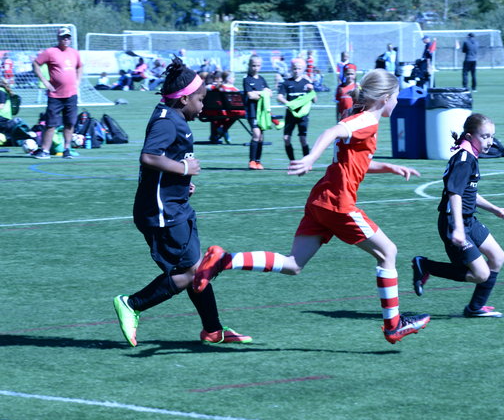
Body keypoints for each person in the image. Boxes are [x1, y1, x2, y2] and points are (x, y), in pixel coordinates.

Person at [193, 68, 431, 345]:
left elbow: (356, 163)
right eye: (397, 97)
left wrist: (389, 167)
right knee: (388, 252)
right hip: (338, 203)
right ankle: (393, 325)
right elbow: (332, 131)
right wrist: (310, 159)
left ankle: (224, 260)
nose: (398, 102)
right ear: (385, 98)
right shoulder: (365, 119)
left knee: (293, 264)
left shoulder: (363, 119)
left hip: (321, 199)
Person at [112, 57, 251, 348]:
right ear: (184, 99)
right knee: (189, 273)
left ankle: (213, 330)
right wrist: (183, 168)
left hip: (175, 205)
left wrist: (182, 181)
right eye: (200, 100)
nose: (203, 105)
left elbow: (164, 163)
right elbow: (149, 156)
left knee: (198, 268)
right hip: (162, 212)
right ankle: (132, 304)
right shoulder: (167, 121)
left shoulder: (175, 117)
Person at [412, 113, 504, 318]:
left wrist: (494, 209)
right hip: (453, 222)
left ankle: (475, 308)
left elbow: (468, 193)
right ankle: (425, 266)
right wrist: (457, 228)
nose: (490, 141)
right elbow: (454, 194)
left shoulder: (470, 156)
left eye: (492, 136)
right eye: (485, 136)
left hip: (468, 220)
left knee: (497, 256)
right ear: (470, 136)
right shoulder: (464, 159)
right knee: (480, 274)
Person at [31, 27, 82, 159]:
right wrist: (45, 81)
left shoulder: (74, 53)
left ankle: (67, 149)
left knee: (70, 123)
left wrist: (77, 81)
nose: (66, 39)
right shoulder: (50, 52)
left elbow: (80, 66)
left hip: (71, 95)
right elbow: (36, 64)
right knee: (51, 124)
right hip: (55, 95)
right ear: (58, 38)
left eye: (68, 37)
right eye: (63, 37)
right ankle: (45, 150)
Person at [277, 58, 316, 160]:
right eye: (295, 68)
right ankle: (292, 162)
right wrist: (288, 103)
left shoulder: (306, 82)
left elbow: (314, 100)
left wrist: (311, 90)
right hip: (290, 115)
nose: (297, 70)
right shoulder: (287, 83)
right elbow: (279, 97)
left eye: (299, 68)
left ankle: (306, 162)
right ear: (291, 69)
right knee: (286, 138)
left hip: (303, 116)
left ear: (303, 69)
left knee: (303, 139)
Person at [242, 55, 270, 170]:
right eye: (253, 65)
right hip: (252, 112)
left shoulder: (262, 79)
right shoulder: (247, 80)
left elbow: (269, 93)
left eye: (258, 66)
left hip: (262, 113)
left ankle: (258, 161)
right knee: (256, 134)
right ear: (249, 65)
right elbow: (250, 95)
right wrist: (263, 93)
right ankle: (252, 161)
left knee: (261, 137)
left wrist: (259, 93)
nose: (255, 68)